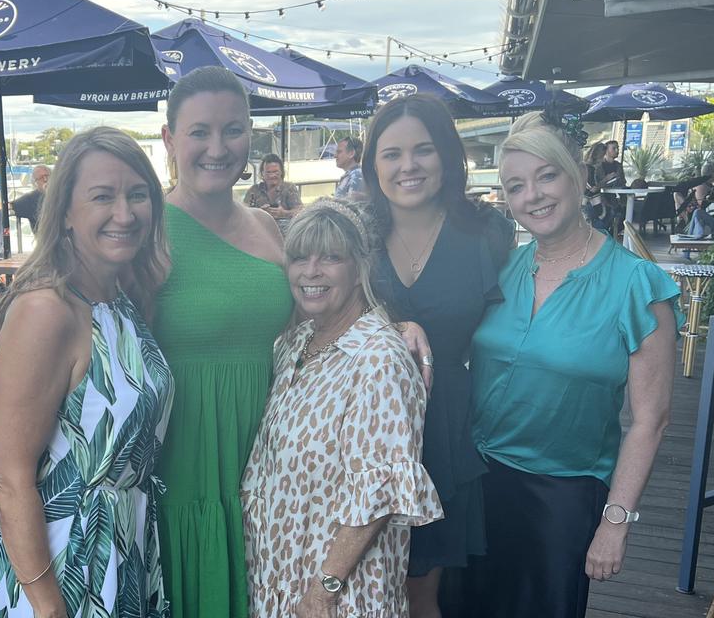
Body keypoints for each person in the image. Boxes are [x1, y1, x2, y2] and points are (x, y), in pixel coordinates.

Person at [467, 112, 681, 618]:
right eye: (516, 186)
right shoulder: (503, 268)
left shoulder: (636, 285)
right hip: (476, 482)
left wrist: (616, 521)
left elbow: (651, 420)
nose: (533, 195)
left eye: (546, 176)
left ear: (578, 178)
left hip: (561, 494)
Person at [0, 128, 173, 617]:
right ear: (65, 211)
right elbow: (7, 475)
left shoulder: (119, 298)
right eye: (102, 197)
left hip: (121, 552)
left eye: (138, 195)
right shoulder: (47, 310)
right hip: (63, 565)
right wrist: (48, 606)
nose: (125, 214)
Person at [243, 199, 442, 617]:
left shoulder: (379, 360)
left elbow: (379, 492)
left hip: (340, 597)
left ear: (359, 269)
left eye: (330, 257)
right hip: (280, 578)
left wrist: (324, 591)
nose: (310, 271)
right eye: (299, 257)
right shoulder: (294, 344)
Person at [360, 93, 514, 618]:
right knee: (357, 577)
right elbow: (315, 315)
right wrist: (391, 325)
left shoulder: (487, 232)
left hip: (443, 422)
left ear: (447, 155)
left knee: (421, 588)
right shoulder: (356, 233)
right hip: (360, 427)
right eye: (391, 154)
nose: (408, 166)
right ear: (373, 165)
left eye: (422, 150)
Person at [154, 66, 292, 618]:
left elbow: (314, 319)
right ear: (169, 139)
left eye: (233, 130)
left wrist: (395, 323)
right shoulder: (147, 231)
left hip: (269, 455)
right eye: (199, 132)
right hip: (188, 459)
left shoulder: (266, 223)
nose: (218, 147)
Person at [243, 153, 303, 221]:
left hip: (284, 229)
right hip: (260, 229)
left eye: (275, 172)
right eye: (268, 172)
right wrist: (259, 212)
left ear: (281, 172)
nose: (272, 176)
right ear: (262, 173)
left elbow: (301, 212)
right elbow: (243, 213)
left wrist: (284, 213)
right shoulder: (254, 190)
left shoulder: (289, 188)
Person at [10, 164, 51, 232]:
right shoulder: (31, 198)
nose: (45, 179)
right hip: (45, 240)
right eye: (41, 178)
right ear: (35, 183)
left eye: (47, 176)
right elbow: (9, 205)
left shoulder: (62, 193)